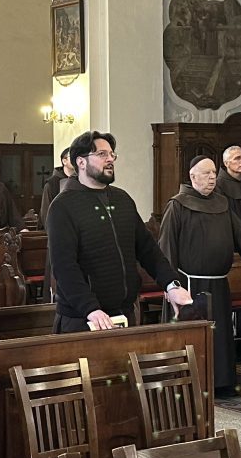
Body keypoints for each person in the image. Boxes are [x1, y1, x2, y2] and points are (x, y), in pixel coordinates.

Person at [47, 130, 193, 333]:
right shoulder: (63, 206)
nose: (110, 159)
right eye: (102, 154)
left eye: (111, 154)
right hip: (84, 318)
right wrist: (90, 309)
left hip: (124, 312)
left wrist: (171, 285)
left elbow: (148, 249)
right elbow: (64, 267)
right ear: (81, 162)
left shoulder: (122, 199)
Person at [158, 155, 241, 395]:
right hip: (189, 285)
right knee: (193, 338)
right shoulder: (178, 205)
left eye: (213, 173)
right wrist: (171, 285)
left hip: (218, 285)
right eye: (206, 173)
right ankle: (191, 383)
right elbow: (166, 249)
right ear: (192, 176)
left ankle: (220, 383)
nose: (212, 178)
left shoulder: (222, 204)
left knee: (220, 337)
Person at [38, 148, 74, 222]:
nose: (77, 160)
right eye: (73, 156)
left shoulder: (82, 180)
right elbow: (46, 211)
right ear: (64, 161)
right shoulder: (52, 184)